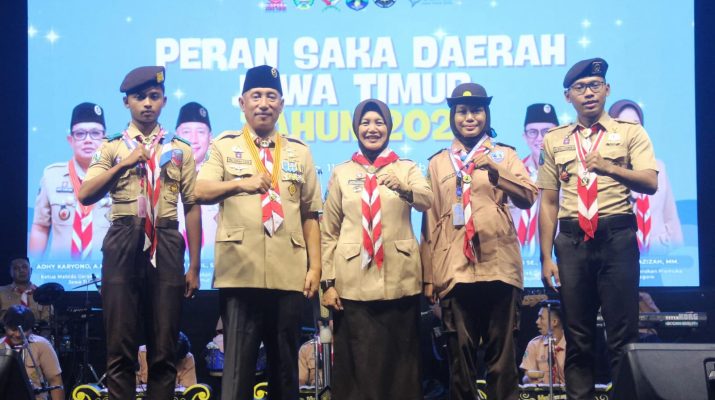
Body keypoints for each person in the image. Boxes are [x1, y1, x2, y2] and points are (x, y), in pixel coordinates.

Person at [195, 65, 322, 400]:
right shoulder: (224, 146)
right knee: (237, 371)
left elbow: (310, 213)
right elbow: (199, 190)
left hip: (288, 273)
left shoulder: (299, 151)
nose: (263, 103)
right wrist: (240, 184)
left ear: (281, 104)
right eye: (256, 96)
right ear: (242, 102)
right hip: (240, 272)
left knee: (285, 370)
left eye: (271, 96)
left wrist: (315, 267)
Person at [78, 65, 202, 400]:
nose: (147, 103)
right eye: (139, 97)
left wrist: (194, 266)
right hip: (123, 239)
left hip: (167, 239)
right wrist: (125, 163)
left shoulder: (180, 149)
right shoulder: (112, 147)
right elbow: (85, 194)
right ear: (126, 103)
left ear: (164, 101)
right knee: (120, 346)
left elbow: (192, 205)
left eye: (154, 96)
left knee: (164, 347)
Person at [537, 58, 658, 399]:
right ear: (568, 96)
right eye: (580, 87)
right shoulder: (555, 139)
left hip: (616, 236)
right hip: (571, 239)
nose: (588, 93)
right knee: (578, 336)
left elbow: (650, 182)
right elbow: (548, 202)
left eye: (594, 85)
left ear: (607, 89)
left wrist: (609, 168)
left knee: (622, 336)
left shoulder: (630, 132)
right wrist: (545, 257)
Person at [420, 82, 537, 400]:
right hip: (455, 271)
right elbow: (430, 223)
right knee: (460, 362)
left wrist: (497, 172)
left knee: (502, 361)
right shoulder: (438, 162)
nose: (469, 117)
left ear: (486, 115)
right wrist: (429, 277)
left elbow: (528, 196)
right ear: (453, 117)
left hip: (499, 267)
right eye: (462, 111)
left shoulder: (506, 154)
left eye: (476, 111)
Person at [320, 99, 433, 399]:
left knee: (402, 367)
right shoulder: (342, 173)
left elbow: (427, 200)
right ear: (356, 128)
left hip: (400, 281)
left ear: (389, 127)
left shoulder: (406, 168)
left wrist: (403, 187)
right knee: (358, 368)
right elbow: (328, 232)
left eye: (379, 122)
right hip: (352, 284)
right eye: (366, 122)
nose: (372, 129)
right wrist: (327, 284)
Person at [29, 102, 112, 260]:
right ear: (70, 140)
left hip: (106, 271)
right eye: (80, 134)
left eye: (95, 133)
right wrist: (33, 267)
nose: (88, 140)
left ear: (105, 139)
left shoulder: (119, 178)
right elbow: (40, 227)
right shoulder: (51, 176)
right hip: (61, 271)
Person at [608, 99, 683, 253]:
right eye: (623, 124)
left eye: (636, 124)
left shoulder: (658, 167)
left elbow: (671, 217)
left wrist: (678, 250)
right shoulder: (605, 170)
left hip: (660, 253)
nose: (631, 131)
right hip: (621, 255)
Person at [511, 103, 559, 257]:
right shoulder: (514, 172)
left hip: (559, 256)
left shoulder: (569, 172)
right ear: (524, 136)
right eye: (533, 132)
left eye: (546, 131)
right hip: (518, 259)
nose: (539, 138)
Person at [175, 102, 220, 256]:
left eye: (200, 132)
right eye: (186, 132)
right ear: (177, 136)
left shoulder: (223, 178)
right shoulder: (163, 176)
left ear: (210, 137)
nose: (193, 139)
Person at [0, 305, 64, 400]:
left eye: (23, 330)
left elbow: (55, 381)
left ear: (31, 329)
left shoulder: (42, 345)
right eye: (13, 330)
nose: (18, 334)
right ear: (5, 327)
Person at [520, 305, 566, 385]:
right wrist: (529, 377)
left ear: (554, 322)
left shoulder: (573, 345)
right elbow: (526, 378)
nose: (537, 322)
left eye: (541, 318)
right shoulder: (534, 345)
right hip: (543, 392)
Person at [0, 257, 52, 323]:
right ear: (11, 272)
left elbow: (47, 323)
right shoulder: (1, 292)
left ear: (31, 270)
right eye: (16, 268)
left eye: (24, 267)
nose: (21, 270)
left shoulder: (43, 294)